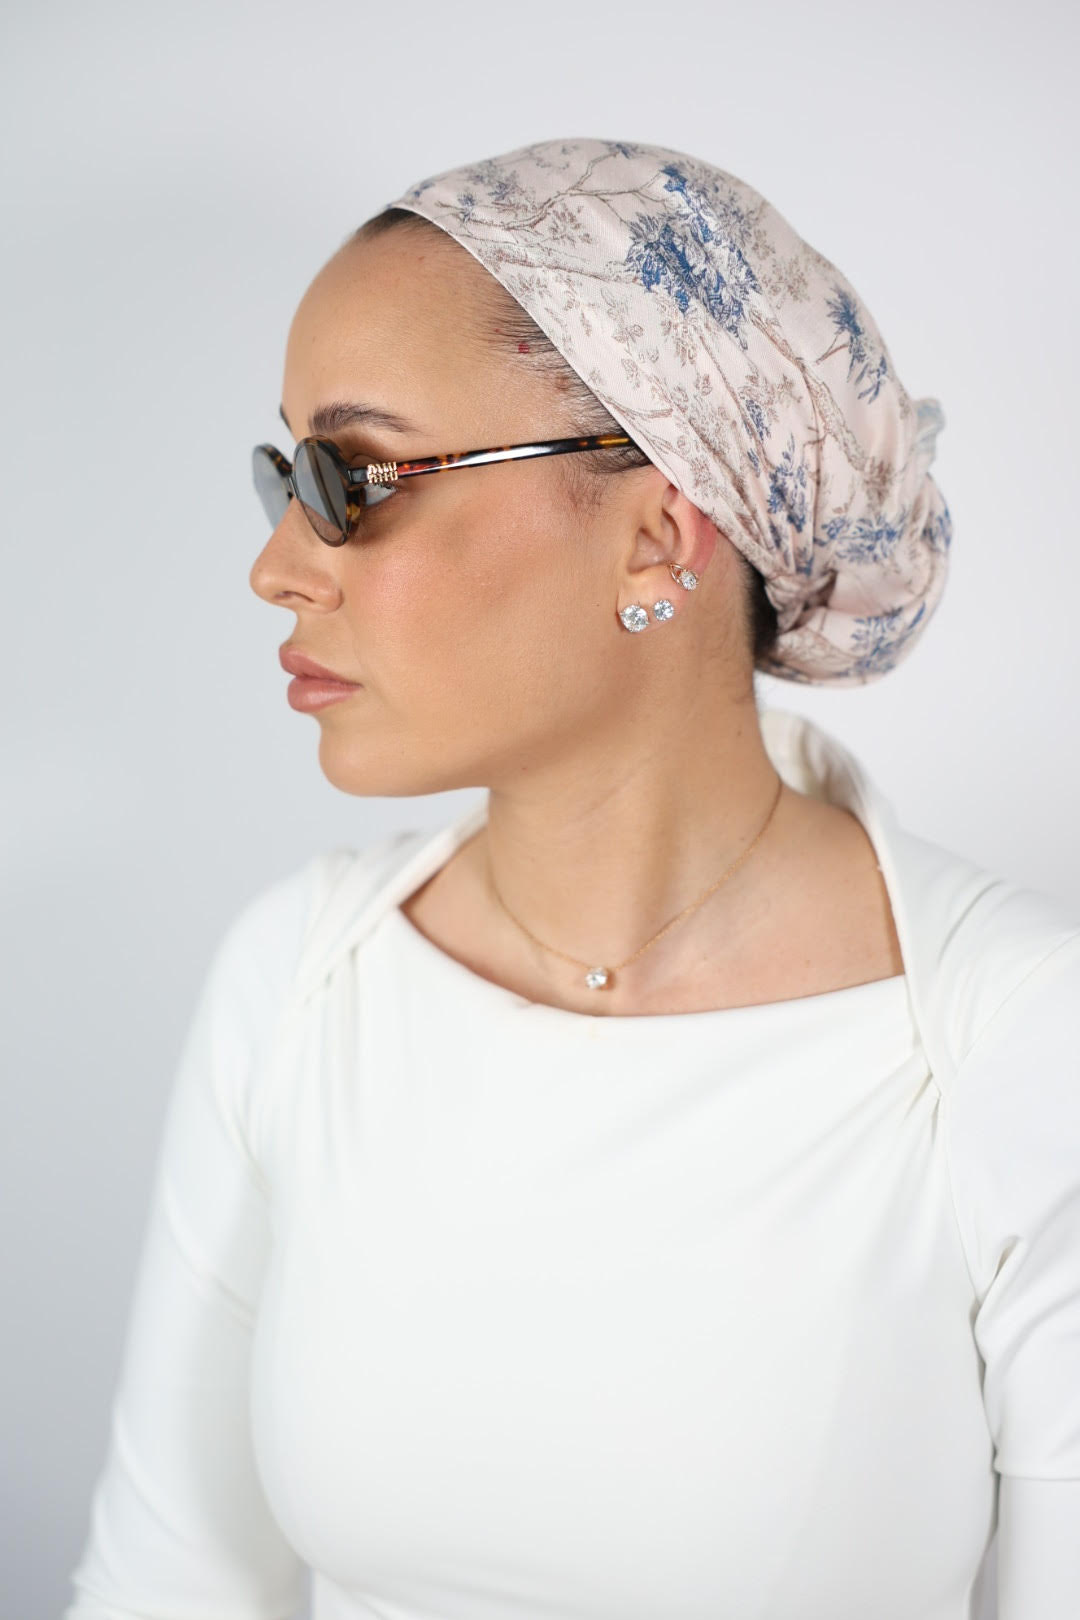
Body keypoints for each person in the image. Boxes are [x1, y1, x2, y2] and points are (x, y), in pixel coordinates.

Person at [63, 138, 1080, 1619]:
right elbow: (169, 1584)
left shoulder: (1012, 1041)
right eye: (287, 474)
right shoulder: (300, 980)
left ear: (659, 535)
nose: (278, 565)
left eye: (354, 480)